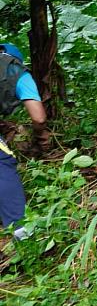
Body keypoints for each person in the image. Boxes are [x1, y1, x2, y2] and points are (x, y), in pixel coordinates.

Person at [0, 43, 49, 240]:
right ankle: (21, 229)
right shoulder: (16, 71)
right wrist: (41, 136)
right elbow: (39, 117)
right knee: (2, 162)